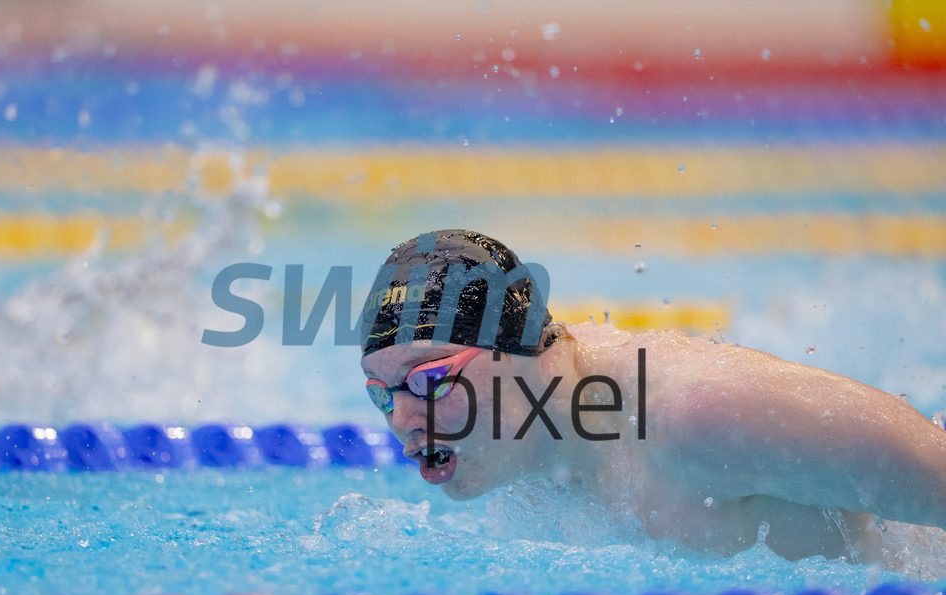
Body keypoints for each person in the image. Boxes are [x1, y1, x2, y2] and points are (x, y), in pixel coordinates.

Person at [359, 229, 946, 563]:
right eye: (381, 394)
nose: (403, 420)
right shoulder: (524, 449)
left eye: (429, 379)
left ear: (511, 352)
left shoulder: (695, 416)